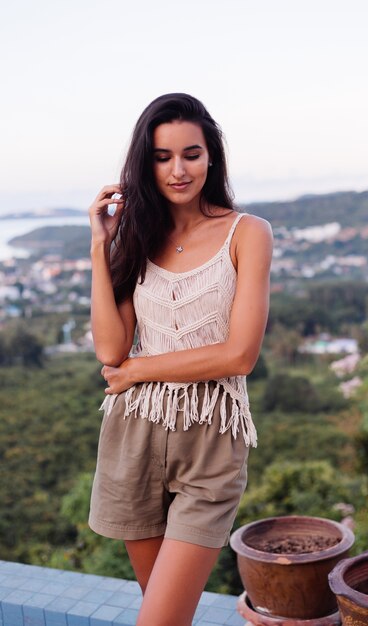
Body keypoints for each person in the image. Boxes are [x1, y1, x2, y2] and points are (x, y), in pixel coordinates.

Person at [88, 93, 273, 626]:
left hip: (211, 441)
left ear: (211, 155)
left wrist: (139, 370)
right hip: (134, 434)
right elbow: (110, 350)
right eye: (162, 157)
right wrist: (101, 246)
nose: (178, 169)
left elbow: (239, 355)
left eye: (190, 154)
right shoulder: (137, 235)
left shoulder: (248, 233)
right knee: (164, 616)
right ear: (146, 164)